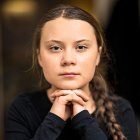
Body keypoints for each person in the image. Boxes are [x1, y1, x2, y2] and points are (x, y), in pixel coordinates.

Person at [5, 4, 138, 140]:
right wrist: (54, 119)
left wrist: (83, 119)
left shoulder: (121, 110)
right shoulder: (22, 108)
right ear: (39, 57)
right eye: (55, 48)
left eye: (81, 47)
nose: (68, 60)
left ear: (97, 55)